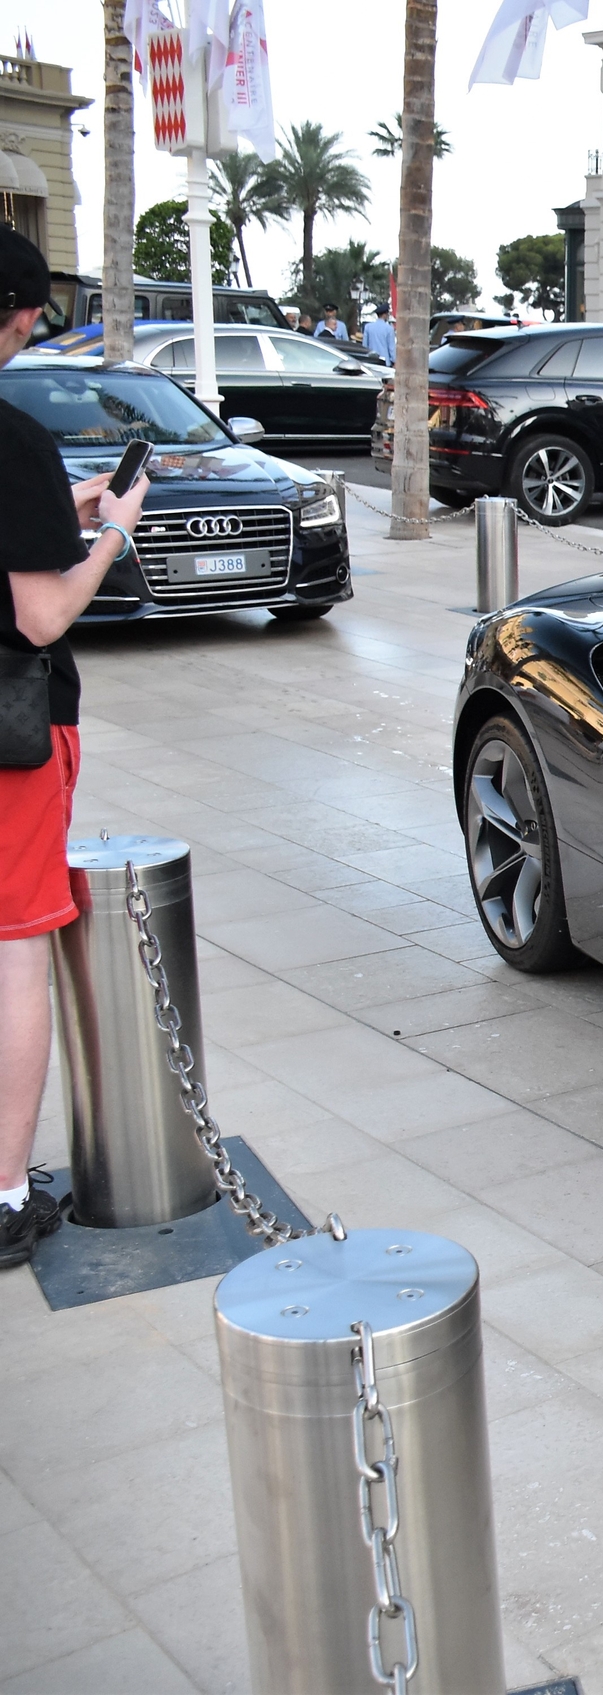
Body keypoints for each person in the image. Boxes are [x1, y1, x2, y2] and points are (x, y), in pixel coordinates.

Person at [0, 226, 150, 1269]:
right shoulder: (10, 436)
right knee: (15, 956)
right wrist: (110, 532)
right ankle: (6, 1194)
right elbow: (43, 614)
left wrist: (65, 509)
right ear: (16, 311)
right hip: (10, 736)